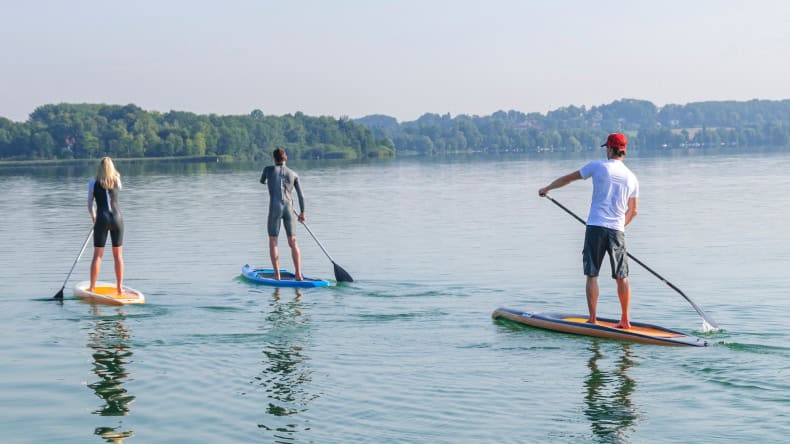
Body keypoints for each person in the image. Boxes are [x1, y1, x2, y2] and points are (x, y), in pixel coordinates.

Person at [538, 133, 639, 328]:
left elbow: (569, 178)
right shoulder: (632, 178)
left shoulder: (598, 166)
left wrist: (547, 188)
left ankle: (593, 319)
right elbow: (633, 211)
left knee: (592, 274)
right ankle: (625, 320)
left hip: (595, 227)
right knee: (622, 276)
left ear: (609, 148)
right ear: (623, 151)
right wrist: (619, 228)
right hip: (617, 231)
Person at [260, 147, 305, 280]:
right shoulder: (294, 174)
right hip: (289, 208)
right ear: (286, 158)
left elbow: (262, 181)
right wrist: (302, 212)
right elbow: (301, 196)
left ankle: (278, 275)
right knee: (293, 241)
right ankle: (298, 274)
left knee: (273, 241)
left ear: (274, 159)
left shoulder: (268, 170)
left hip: (275, 208)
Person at [88, 156, 125, 294]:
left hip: (102, 218)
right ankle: (119, 287)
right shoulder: (117, 180)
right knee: (118, 256)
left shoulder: (92, 183)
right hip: (117, 218)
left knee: (98, 255)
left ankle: (92, 287)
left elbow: (90, 205)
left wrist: (94, 218)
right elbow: (118, 187)